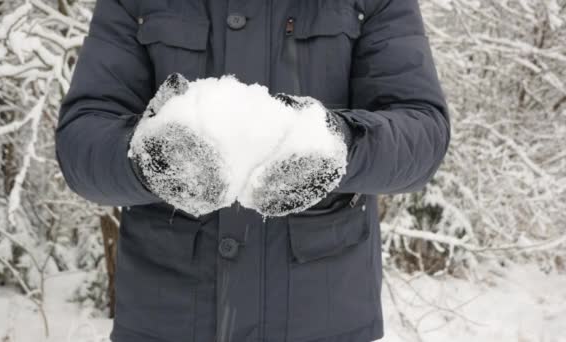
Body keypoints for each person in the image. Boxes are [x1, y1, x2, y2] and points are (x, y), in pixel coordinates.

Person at [55, 0, 451, 341]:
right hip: (166, 317)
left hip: (323, 318)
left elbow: (422, 130)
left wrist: (340, 145)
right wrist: (149, 160)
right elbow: (82, 139)